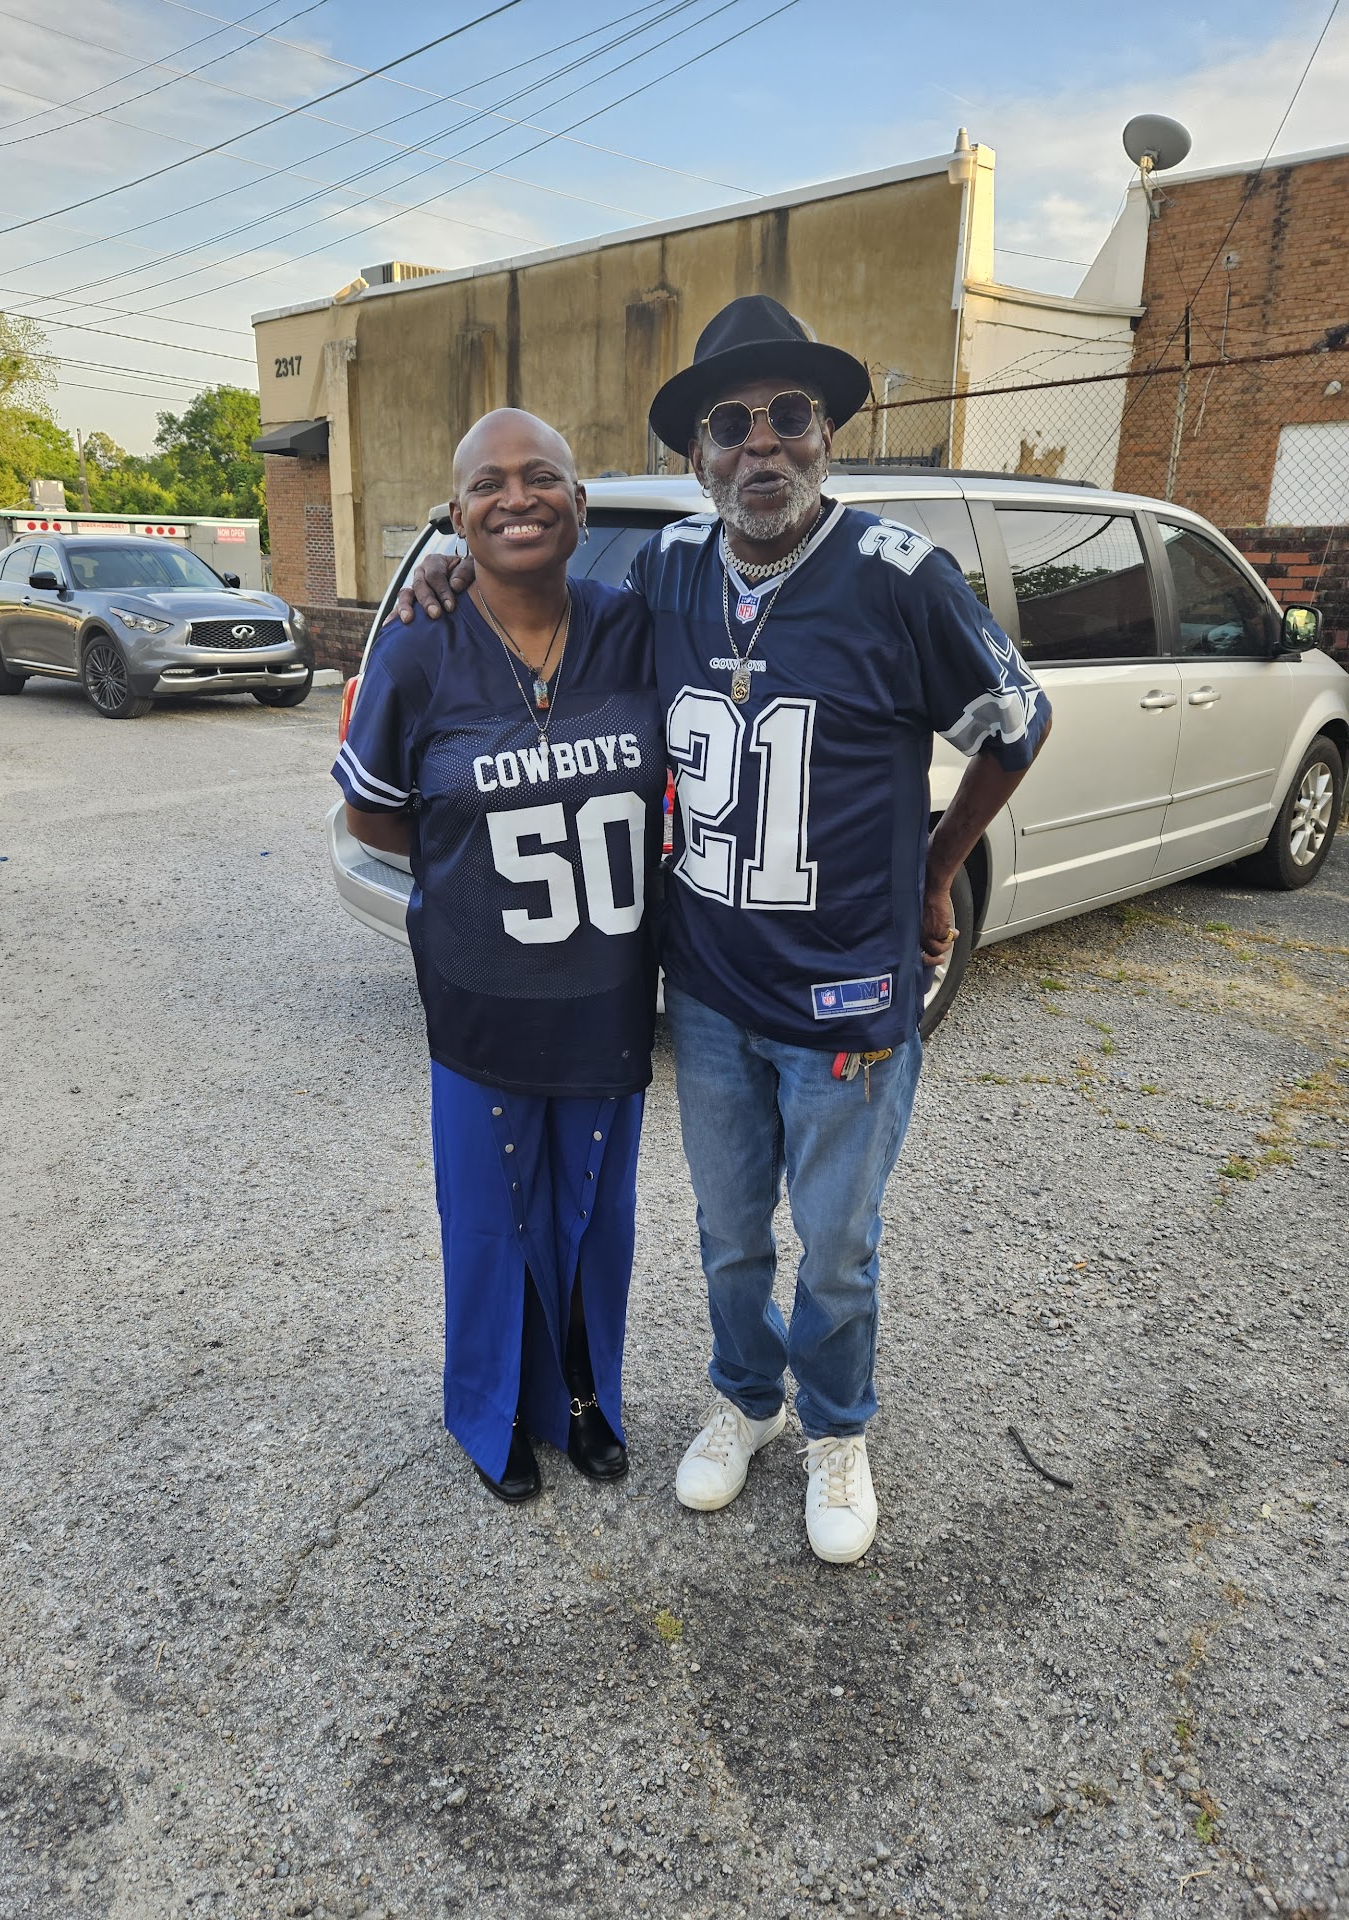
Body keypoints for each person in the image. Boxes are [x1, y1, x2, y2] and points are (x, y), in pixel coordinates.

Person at [399, 297, 1051, 1562]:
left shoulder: (898, 575)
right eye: (729, 424)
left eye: (788, 415)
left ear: (827, 433)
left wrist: (935, 872)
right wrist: (453, 567)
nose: (763, 444)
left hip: (848, 992)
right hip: (705, 987)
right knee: (729, 1232)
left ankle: (838, 1429)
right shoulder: (671, 574)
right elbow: (549, 609)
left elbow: (1016, 725)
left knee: (838, 1246)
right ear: (696, 457)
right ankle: (747, 1400)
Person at [335, 408, 664, 1506]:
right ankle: (495, 1411)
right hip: (481, 992)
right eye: (488, 484)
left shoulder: (633, 627)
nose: (516, 497)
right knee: (490, 1217)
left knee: (595, 1216)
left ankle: (586, 1399)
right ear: (456, 515)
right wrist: (475, 866)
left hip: (606, 988)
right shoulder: (419, 648)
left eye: (541, 477)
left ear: (580, 504)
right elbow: (376, 814)